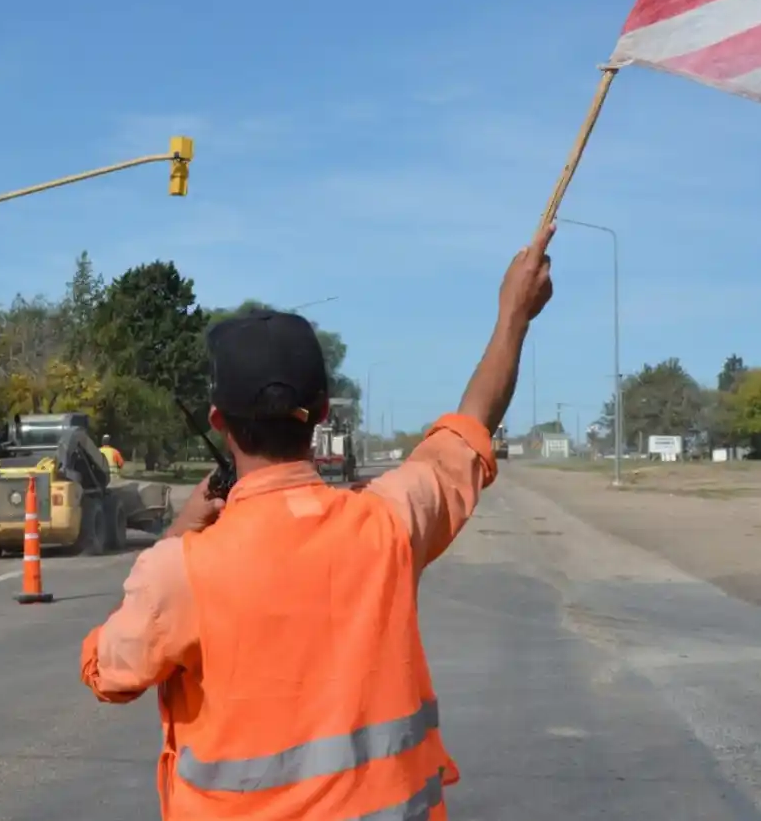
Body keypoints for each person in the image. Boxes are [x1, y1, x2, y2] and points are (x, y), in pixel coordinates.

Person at [80, 224, 556, 820]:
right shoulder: (388, 524)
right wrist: (514, 315)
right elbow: (466, 429)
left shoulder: (179, 571)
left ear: (218, 420)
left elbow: (108, 673)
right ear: (323, 413)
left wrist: (181, 530)